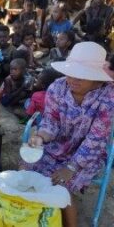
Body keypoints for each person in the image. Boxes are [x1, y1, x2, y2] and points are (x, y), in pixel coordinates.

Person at [25, 42, 114, 227]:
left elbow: (95, 140)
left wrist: (71, 168)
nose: (72, 79)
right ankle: (32, 216)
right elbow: (51, 122)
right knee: (26, 168)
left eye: (81, 76)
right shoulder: (57, 87)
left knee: (62, 189)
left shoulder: (108, 98)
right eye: (70, 73)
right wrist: (40, 137)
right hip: (58, 144)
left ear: (95, 78)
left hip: (88, 154)